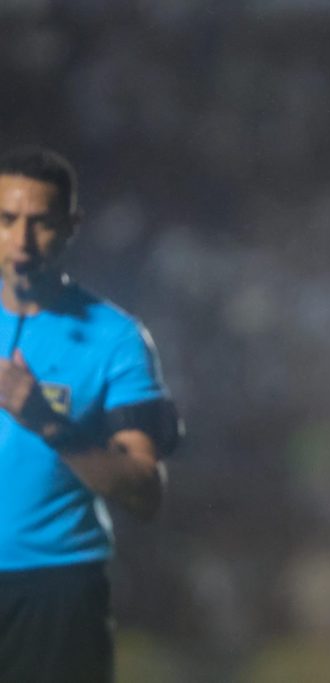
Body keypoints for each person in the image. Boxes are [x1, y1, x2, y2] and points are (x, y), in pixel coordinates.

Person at [0, 146, 181, 683]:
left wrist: (49, 423)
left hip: (56, 589)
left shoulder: (117, 338)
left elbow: (145, 490)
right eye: (8, 220)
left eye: (42, 222)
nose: (22, 240)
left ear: (72, 225)